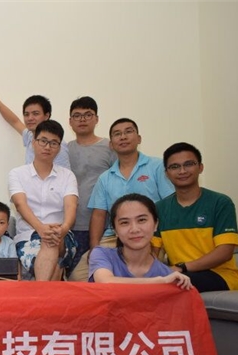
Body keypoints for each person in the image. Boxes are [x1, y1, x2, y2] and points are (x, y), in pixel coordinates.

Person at [68, 118, 175, 281]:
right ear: (111, 144)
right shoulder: (105, 177)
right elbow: (98, 215)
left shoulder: (157, 167)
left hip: (151, 236)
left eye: (128, 132)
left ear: (139, 138)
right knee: (78, 277)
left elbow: (170, 205)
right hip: (114, 237)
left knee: (149, 274)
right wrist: (95, 248)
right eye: (117, 134)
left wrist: (159, 242)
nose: (123, 137)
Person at [153, 142, 238, 292]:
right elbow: (153, 252)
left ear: (200, 167)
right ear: (166, 173)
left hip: (222, 275)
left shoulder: (220, 203)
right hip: (180, 274)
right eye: (174, 167)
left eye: (188, 164)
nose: (182, 171)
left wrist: (181, 267)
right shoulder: (159, 208)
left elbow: (225, 252)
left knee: (171, 284)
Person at [9, 120, 78, 281]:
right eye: (43, 141)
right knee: (54, 264)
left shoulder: (67, 176)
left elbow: (71, 206)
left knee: (51, 239)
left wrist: (63, 228)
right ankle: (48, 290)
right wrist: (41, 228)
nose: (47, 147)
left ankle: (41, 291)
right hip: (28, 236)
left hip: (62, 235)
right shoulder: (17, 174)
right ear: (34, 142)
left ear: (59, 148)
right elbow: (20, 204)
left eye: (53, 143)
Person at [89, 193, 191, 289]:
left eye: (142, 220)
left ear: (156, 224)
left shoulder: (167, 274)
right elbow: (105, 282)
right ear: (115, 230)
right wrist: (159, 281)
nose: (134, 229)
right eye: (124, 222)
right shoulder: (102, 254)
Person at [66, 96, 117, 271]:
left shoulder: (110, 147)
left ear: (96, 119)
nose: (82, 119)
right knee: (74, 277)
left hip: (105, 226)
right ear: (70, 121)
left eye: (88, 114)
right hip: (72, 224)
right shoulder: (65, 149)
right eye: (77, 115)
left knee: (102, 274)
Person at [0, 84, 70, 168]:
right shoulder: (30, 135)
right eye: (26, 114)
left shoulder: (56, 145)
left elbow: (64, 177)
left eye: (35, 114)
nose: (30, 118)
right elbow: (15, 121)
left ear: (46, 116)